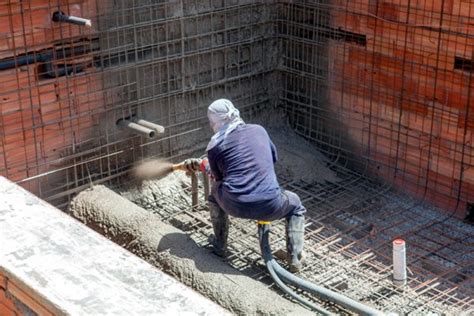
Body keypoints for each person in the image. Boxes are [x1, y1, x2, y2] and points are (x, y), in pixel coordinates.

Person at [188, 99, 306, 272]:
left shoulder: (214, 146)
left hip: (234, 205)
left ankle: (220, 246)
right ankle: (295, 258)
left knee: (215, 191)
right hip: (271, 204)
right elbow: (271, 159)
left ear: (215, 122)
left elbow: (218, 178)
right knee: (295, 205)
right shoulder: (259, 130)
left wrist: (206, 164)